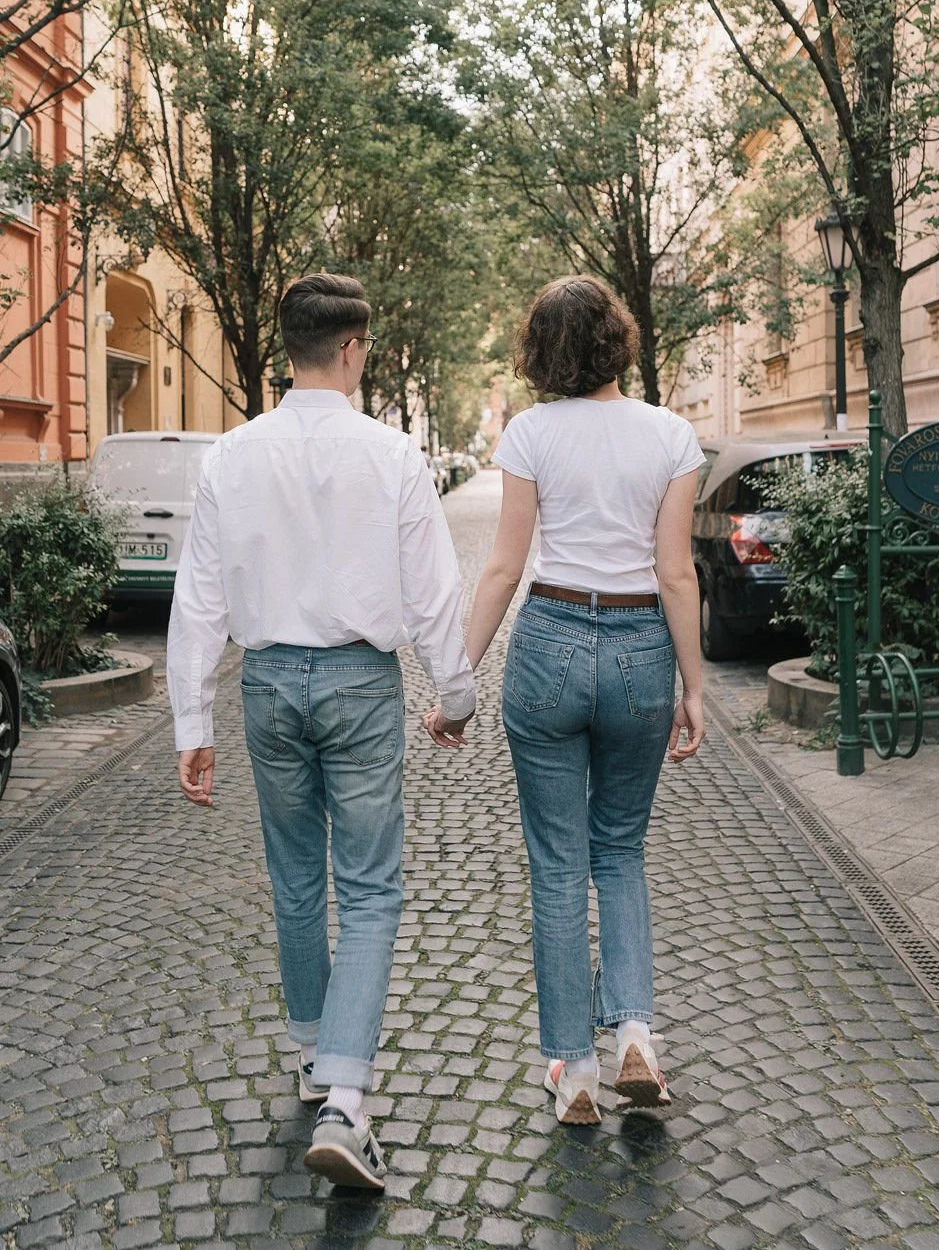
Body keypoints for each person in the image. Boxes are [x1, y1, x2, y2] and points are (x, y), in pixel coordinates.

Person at [167, 273, 475, 1189]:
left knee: (297, 879)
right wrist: (455, 696)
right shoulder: (392, 455)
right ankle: (345, 1095)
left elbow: (200, 596)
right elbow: (432, 593)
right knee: (372, 890)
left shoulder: (229, 456)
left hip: (266, 683)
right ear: (352, 350)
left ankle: (312, 1053)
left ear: (286, 350)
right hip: (357, 682)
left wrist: (192, 719)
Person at [426, 275, 704, 1126]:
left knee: (556, 864)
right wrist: (693, 686)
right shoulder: (671, 434)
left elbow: (504, 568)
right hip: (637, 650)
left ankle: (576, 1072)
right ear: (619, 339)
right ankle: (636, 1036)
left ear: (541, 351)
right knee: (617, 850)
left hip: (547, 642)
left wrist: (457, 681)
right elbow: (674, 573)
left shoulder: (530, 433)